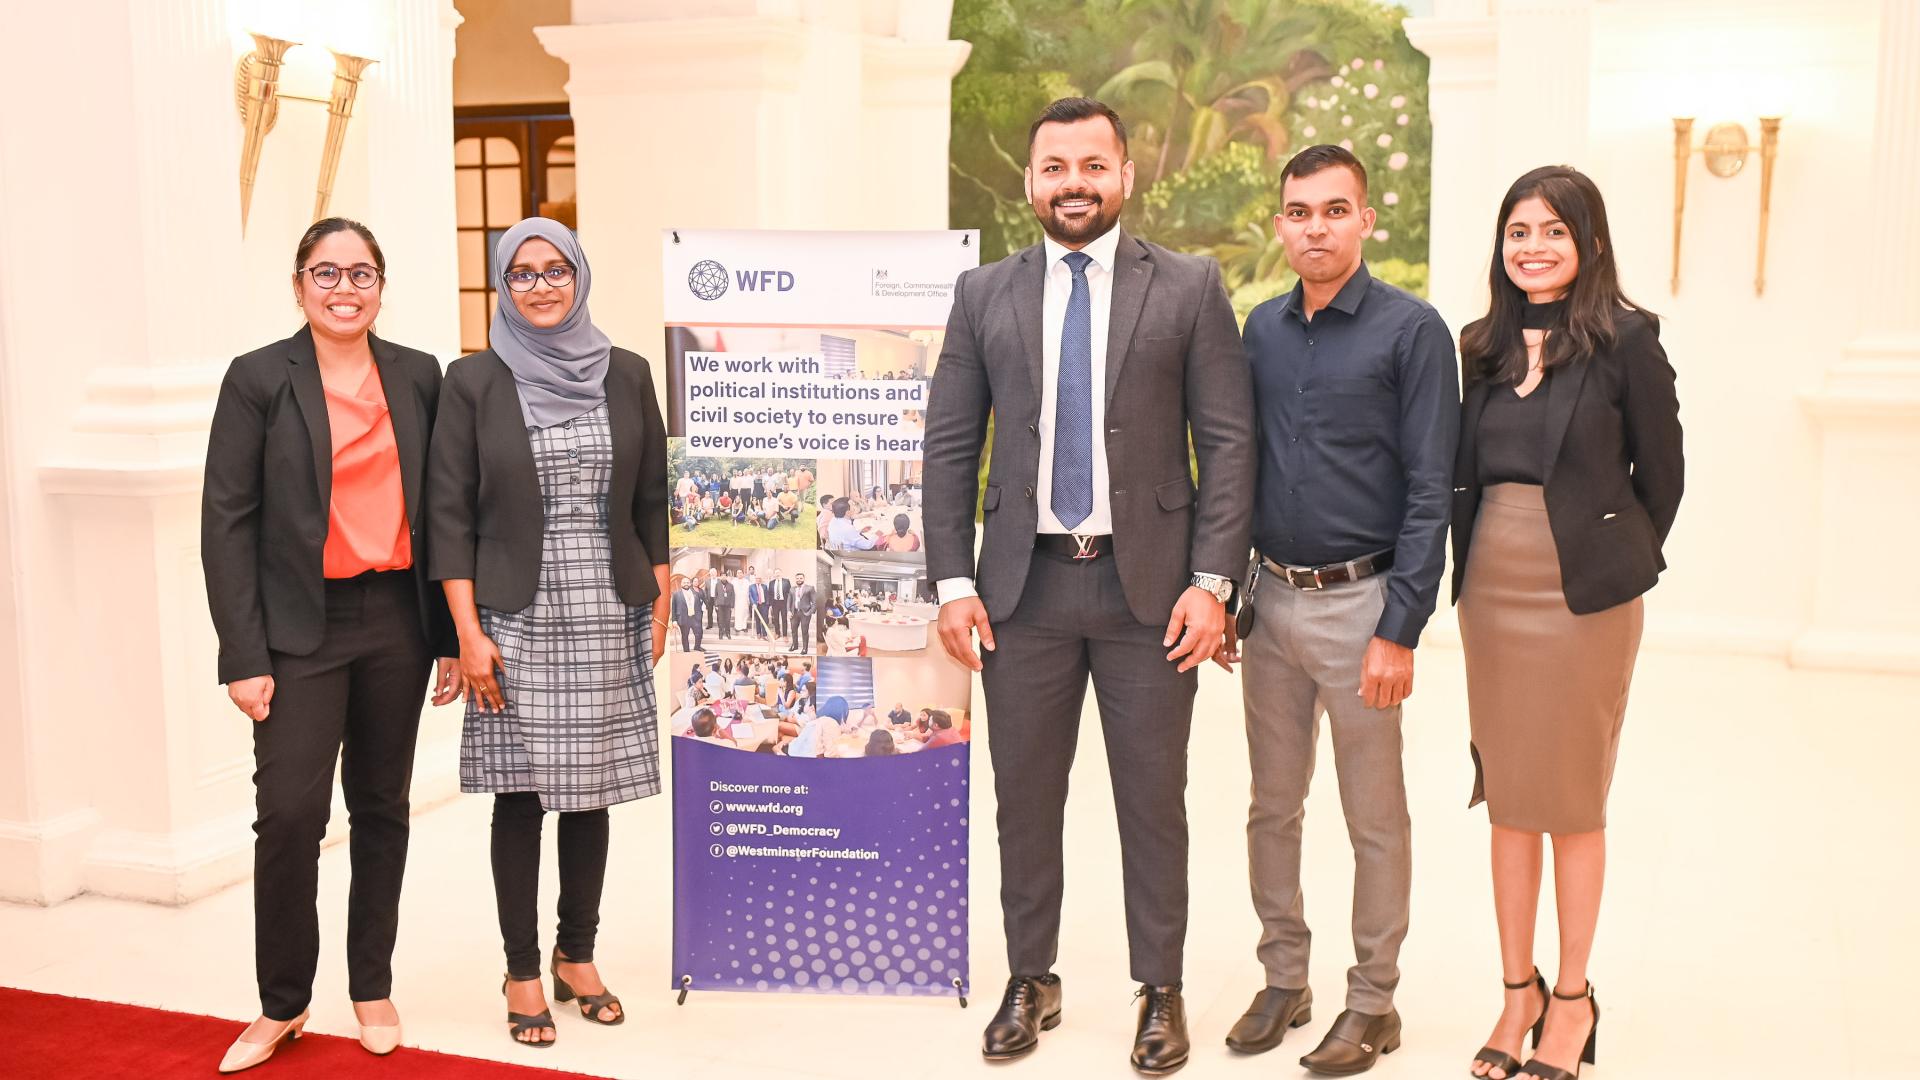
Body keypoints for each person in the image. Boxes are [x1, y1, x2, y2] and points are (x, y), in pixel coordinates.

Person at [924, 97, 1253, 1075]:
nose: (1074, 182)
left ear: (1124, 175)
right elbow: (948, 447)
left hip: (1150, 596)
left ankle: (1161, 988)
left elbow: (1230, 446)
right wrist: (951, 578)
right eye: (1054, 166)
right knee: (1024, 799)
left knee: (1154, 800)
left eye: (1092, 165)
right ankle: (1033, 977)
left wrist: (1213, 583)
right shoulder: (984, 295)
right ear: (1030, 182)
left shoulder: (1189, 288)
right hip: (1020, 596)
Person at [202, 217, 461, 1074]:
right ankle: (283, 1003)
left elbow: (447, 510)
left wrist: (453, 632)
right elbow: (227, 523)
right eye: (326, 272)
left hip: (396, 618)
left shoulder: (419, 375)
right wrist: (242, 653)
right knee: (288, 818)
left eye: (360, 273)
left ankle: (372, 985)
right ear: (299, 284)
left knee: (383, 808)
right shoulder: (257, 380)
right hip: (296, 630)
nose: (343, 288)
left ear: (382, 285)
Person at [1223, 145, 1459, 1076]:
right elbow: (1239, 470)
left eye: (1333, 210)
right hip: (1271, 602)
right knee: (1270, 808)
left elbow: (1432, 490)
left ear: (1365, 219)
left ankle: (1373, 1001)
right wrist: (1230, 594)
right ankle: (1286, 979)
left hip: (1363, 606)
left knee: (1374, 818)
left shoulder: (1413, 331)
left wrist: (1400, 628)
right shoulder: (1261, 330)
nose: (1314, 227)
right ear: (1279, 223)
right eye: (1297, 211)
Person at [1452, 167, 1682, 1080]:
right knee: (1509, 802)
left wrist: (1613, 555)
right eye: (1518, 231)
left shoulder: (1628, 342)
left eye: (1553, 230)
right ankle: (1519, 996)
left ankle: (1575, 1002)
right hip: (1491, 591)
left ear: (1588, 242)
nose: (1533, 247)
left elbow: (1663, 478)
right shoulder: (1479, 346)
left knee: (1574, 803)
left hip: (1585, 595)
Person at [428, 217, 670, 1048]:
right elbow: (448, 516)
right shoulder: (473, 381)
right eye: (522, 273)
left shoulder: (628, 373)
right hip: (511, 611)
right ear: (503, 284)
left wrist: (660, 591)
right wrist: (464, 629)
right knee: (524, 795)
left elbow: (650, 499)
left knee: (589, 788)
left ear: (580, 276)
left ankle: (578, 953)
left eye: (555, 269)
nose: (540, 285)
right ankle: (522, 967)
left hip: (609, 602)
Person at [671, 577, 704, 653]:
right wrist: (674, 620)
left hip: (695, 618)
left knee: (699, 633)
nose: (686, 584)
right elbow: (673, 608)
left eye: (687, 582)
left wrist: (700, 615)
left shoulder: (695, 593)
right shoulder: (676, 594)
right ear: (681, 584)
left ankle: (697, 647)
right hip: (683, 618)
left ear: (690, 584)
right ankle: (686, 651)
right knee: (685, 636)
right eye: (684, 582)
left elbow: (699, 604)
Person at [791, 572, 816, 655]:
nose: (799, 580)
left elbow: (814, 602)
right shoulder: (792, 588)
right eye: (797, 578)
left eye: (801, 578)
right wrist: (788, 611)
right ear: (795, 579)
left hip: (805, 613)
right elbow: (788, 601)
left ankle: (805, 648)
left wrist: (809, 612)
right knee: (793, 630)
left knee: (804, 631)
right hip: (794, 612)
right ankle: (795, 645)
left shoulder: (810, 588)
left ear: (804, 579)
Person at [769, 571, 792, 640]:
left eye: (778, 572)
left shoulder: (786, 581)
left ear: (781, 573)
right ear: (774, 574)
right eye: (776, 573)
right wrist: (770, 604)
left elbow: (790, 593)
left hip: (784, 603)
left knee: (784, 619)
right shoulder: (771, 582)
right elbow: (770, 594)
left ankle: (785, 635)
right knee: (776, 619)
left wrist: (789, 603)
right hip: (775, 603)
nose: (777, 574)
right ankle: (777, 633)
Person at [714, 571, 735, 641]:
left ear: (726, 577)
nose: (723, 577)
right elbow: (715, 595)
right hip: (720, 605)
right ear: (720, 577)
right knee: (720, 620)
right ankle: (720, 633)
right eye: (722, 576)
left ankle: (728, 633)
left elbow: (733, 596)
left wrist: (732, 606)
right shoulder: (717, 585)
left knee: (727, 620)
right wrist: (716, 604)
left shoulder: (730, 585)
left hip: (728, 605)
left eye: (725, 576)